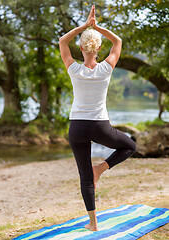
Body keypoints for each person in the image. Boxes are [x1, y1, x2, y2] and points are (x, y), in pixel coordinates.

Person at [59, 5, 136, 232]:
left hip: (77, 128)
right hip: (100, 126)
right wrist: (98, 27)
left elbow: (63, 41)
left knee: (84, 177)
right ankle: (100, 169)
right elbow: (118, 42)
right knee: (130, 145)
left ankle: (93, 223)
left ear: (81, 48)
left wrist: (84, 26)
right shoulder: (105, 69)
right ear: (99, 48)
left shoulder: (73, 69)